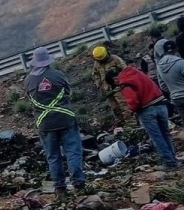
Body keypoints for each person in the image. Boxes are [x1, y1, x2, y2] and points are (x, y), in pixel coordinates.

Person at [23, 47, 85, 193]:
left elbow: (29, 99)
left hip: (45, 124)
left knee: (53, 156)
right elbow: (69, 92)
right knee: (73, 152)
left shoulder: (28, 81)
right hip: (65, 119)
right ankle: (79, 184)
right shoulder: (58, 75)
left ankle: (60, 187)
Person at [107, 63, 178, 169]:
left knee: (157, 137)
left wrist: (132, 110)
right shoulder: (136, 72)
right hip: (161, 105)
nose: (117, 85)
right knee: (166, 134)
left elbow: (133, 101)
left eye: (115, 83)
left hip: (147, 110)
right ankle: (173, 159)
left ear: (115, 78)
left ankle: (169, 162)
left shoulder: (125, 82)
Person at [90, 46, 131, 125]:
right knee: (115, 109)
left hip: (118, 87)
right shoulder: (97, 64)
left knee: (124, 106)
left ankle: (131, 124)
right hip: (107, 90)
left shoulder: (115, 59)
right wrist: (98, 84)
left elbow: (126, 71)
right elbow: (96, 75)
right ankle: (122, 125)